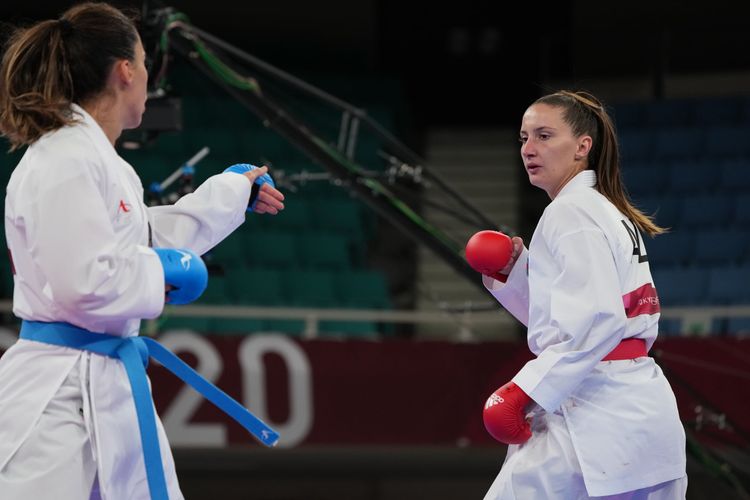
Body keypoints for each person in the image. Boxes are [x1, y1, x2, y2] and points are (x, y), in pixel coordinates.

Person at [0, 3, 285, 499]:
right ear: (125, 71)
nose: (150, 80)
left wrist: (230, 193)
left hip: (106, 386)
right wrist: (162, 272)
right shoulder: (65, 159)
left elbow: (142, 237)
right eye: (146, 65)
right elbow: (83, 283)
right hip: (56, 396)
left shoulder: (94, 158)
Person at [471, 91, 687, 499]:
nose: (529, 149)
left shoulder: (571, 212)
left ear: (582, 147)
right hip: (637, 413)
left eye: (544, 136)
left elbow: (597, 320)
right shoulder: (600, 208)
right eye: (523, 138)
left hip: (596, 412)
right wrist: (516, 275)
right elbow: (572, 316)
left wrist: (523, 390)